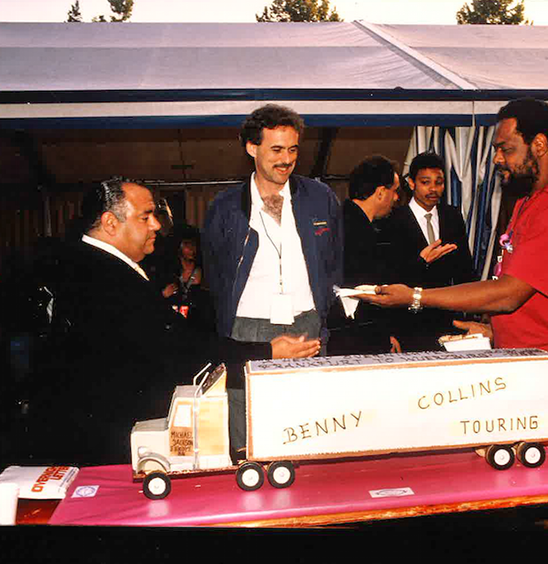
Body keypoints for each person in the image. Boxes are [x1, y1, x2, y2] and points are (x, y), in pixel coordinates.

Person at [362, 98, 548, 433]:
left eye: (505, 149)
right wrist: (495, 330)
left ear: (539, 145)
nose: (497, 159)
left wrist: (416, 296)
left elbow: (509, 293)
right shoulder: (530, 201)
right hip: (537, 357)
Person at [27, 178, 319, 465]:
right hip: (105, 445)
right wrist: (265, 353)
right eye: (146, 216)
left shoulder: (89, 264)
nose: (155, 225)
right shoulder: (105, 277)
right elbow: (180, 348)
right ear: (110, 223)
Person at [202, 104, 342, 453]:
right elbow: (215, 277)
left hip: (306, 324)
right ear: (252, 147)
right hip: (247, 329)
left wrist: (321, 318)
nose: (287, 159)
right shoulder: (225, 207)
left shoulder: (319, 197)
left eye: (293, 149)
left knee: (310, 428)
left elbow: (334, 262)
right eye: (276, 150)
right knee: (248, 433)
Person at [381, 151, 476, 351]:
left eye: (439, 182)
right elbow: (388, 276)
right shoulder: (393, 220)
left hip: (449, 318)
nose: (433, 189)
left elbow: (465, 270)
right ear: (412, 183)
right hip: (408, 323)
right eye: (426, 182)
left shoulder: (452, 216)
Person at [327, 155, 401, 355]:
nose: (396, 198)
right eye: (394, 191)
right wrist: (384, 337)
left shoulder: (341, 220)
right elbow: (367, 293)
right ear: (380, 193)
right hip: (356, 340)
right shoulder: (360, 232)